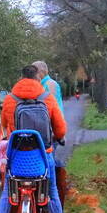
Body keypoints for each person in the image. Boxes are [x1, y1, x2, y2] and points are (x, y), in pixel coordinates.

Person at [0, 65, 68, 213]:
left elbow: (6, 128)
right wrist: (58, 137)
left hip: (16, 157)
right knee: (52, 192)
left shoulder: (9, 99)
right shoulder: (47, 98)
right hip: (42, 156)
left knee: (6, 193)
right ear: (38, 78)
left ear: (20, 77)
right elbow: (60, 129)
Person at [32, 60, 69, 203]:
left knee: (47, 164)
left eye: (35, 72)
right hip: (46, 131)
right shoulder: (45, 85)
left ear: (41, 72)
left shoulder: (49, 85)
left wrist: (56, 132)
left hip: (50, 133)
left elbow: (54, 110)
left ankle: (48, 197)